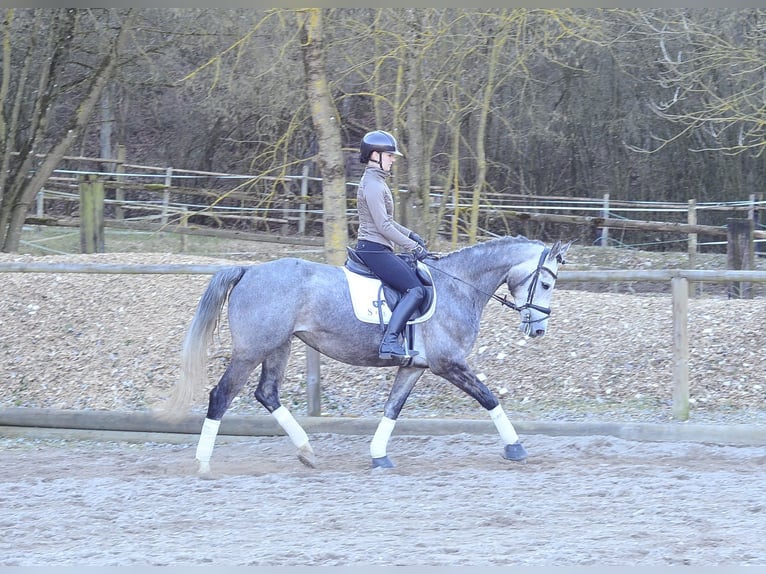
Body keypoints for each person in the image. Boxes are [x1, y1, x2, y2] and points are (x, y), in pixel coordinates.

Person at [355, 129, 431, 360]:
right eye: (389, 155)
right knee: (415, 290)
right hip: (374, 249)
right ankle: (389, 341)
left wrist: (412, 235)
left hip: (378, 247)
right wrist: (413, 247)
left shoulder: (377, 181)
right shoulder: (374, 185)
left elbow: (389, 221)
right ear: (375, 155)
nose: (393, 159)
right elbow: (383, 227)